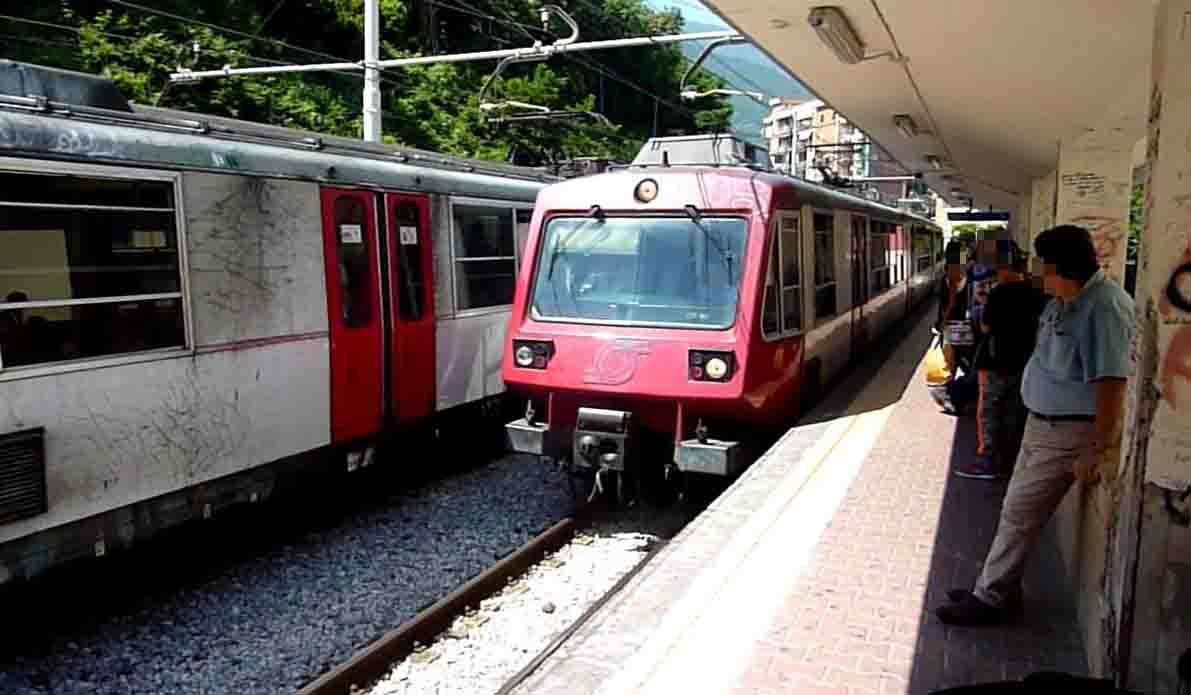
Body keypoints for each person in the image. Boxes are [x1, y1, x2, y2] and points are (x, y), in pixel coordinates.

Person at [935, 225, 1134, 625]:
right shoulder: (1066, 300)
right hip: (1042, 425)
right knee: (1015, 510)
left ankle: (991, 598)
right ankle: (999, 588)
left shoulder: (1104, 307)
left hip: (1067, 433)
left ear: (1064, 268)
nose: (1039, 274)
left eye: (1046, 266)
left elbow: (1112, 384)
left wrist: (1097, 448)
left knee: (1019, 514)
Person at [954, 240, 1049, 480]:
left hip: (996, 361)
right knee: (1015, 411)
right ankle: (1011, 459)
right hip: (1025, 360)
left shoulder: (999, 293)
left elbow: (986, 327)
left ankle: (988, 460)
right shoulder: (1037, 291)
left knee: (989, 410)